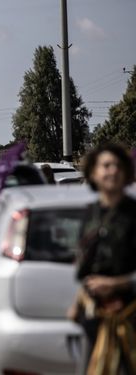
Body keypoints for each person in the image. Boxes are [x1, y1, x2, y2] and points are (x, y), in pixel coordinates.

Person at [71, 143, 136, 374]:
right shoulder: (90, 214)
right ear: (94, 173)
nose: (113, 171)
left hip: (130, 319)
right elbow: (84, 265)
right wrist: (78, 301)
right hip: (94, 317)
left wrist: (117, 284)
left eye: (118, 165)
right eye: (106, 165)